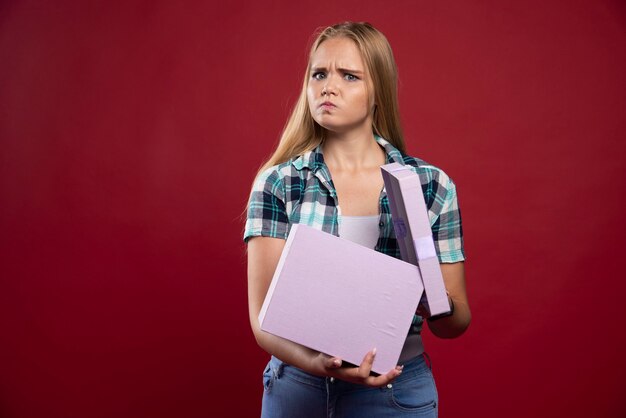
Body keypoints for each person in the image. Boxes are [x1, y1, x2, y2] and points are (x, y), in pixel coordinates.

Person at [243, 21, 471, 417]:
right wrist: (315, 363)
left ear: (377, 92)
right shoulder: (279, 183)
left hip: (396, 390)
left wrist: (434, 296)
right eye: (319, 74)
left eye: (349, 76)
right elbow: (263, 318)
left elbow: (455, 323)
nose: (328, 87)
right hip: (299, 385)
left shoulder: (430, 185)